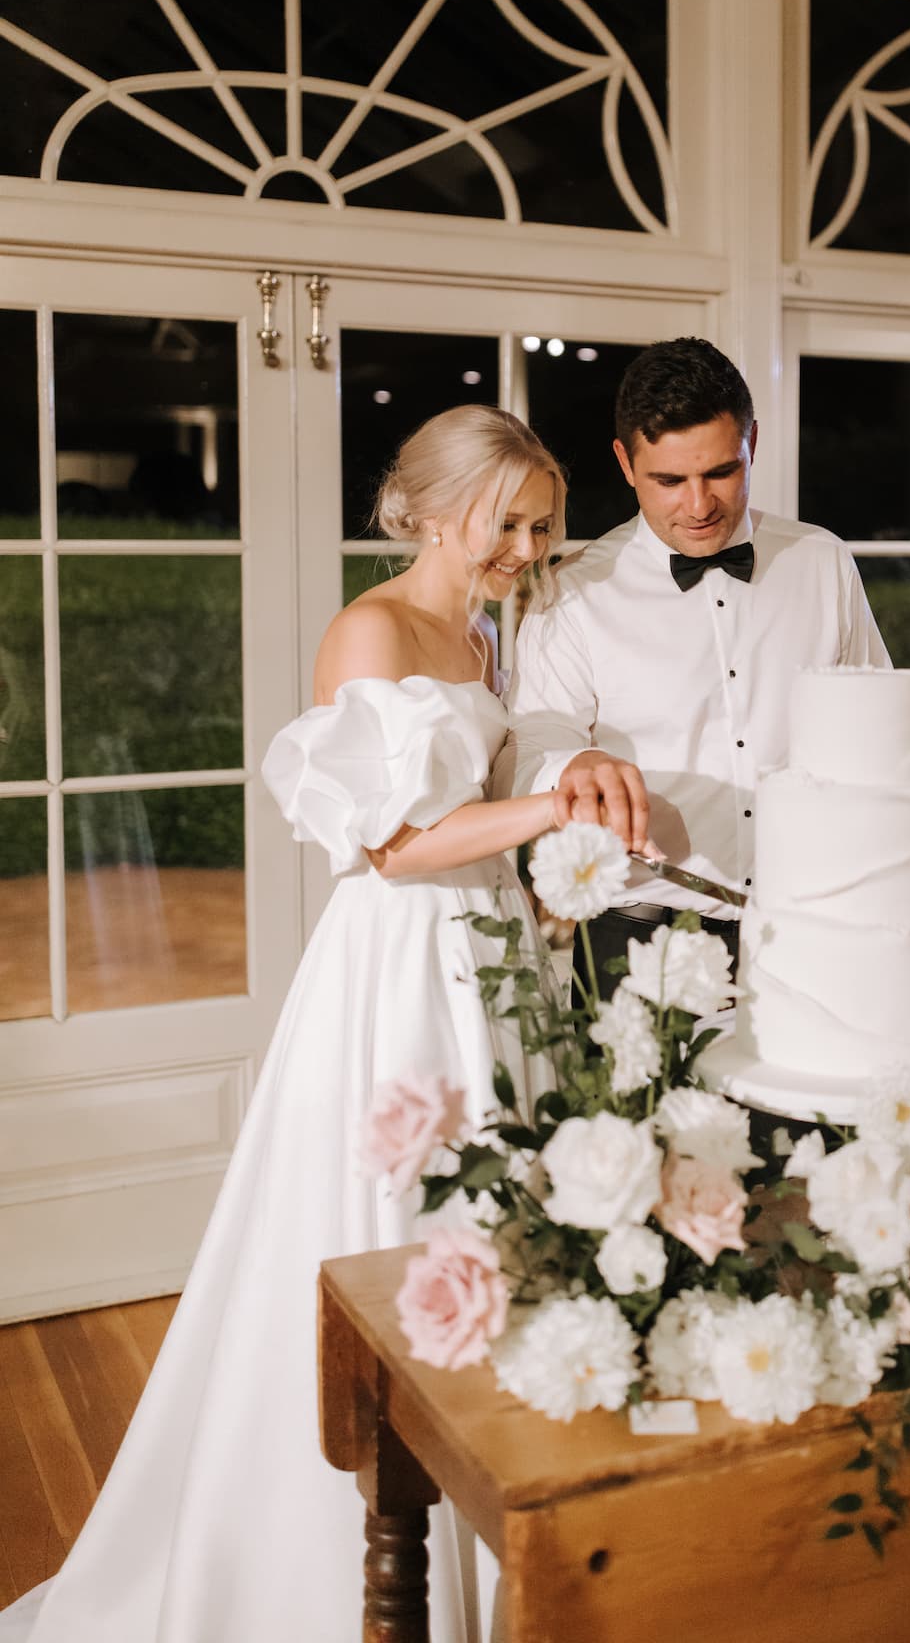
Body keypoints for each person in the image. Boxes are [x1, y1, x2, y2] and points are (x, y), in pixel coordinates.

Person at [1, 406, 573, 1643]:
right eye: (507, 522)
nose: (526, 548)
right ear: (426, 506)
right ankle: (342, 1563)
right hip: (398, 962)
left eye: (538, 525)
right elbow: (394, 844)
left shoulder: (477, 632)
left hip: (489, 956)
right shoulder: (368, 631)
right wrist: (549, 812)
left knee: (494, 1224)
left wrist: (540, 887)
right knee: (387, 1218)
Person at [495, 338, 890, 979]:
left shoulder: (822, 561)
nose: (700, 504)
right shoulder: (572, 592)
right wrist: (579, 763)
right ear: (625, 462)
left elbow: (875, 728)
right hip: (641, 937)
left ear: (752, 444)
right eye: (669, 481)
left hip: (811, 928)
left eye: (721, 472)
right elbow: (533, 746)